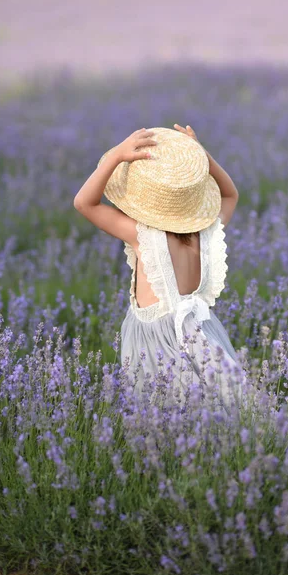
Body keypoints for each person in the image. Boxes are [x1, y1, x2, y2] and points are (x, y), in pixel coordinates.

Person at [73, 124, 247, 413]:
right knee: (215, 410)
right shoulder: (208, 230)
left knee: (161, 414)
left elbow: (84, 203)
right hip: (201, 331)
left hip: (153, 341)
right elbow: (231, 195)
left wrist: (116, 156)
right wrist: (204, 157)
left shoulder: (144, 236)